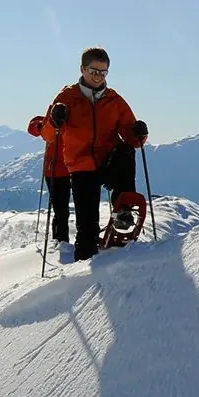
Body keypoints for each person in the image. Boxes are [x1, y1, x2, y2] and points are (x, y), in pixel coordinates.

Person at [45, 47, 148, 261]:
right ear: (82, 69)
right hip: (81, 166)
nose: (98, 77)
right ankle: (83, 270)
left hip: (108, 160)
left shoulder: (114, 100)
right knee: (87, 228)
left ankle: (123, 209)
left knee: (125, 151)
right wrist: (55, 120)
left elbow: (132, 138)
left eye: (103, 72)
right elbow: (49, 134)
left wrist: (139, 133)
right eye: (94, 71)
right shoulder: (67, 98)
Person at [26, 110, 74, 245]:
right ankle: (61, 241)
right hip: (61, 169)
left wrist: (42, 126)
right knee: (61, 209)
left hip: (61, 169)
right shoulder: (60, 111)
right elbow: (33, 126)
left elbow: (33, 126)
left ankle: (62, 242)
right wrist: (43, 126)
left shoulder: (71, 112)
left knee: (62, 209)